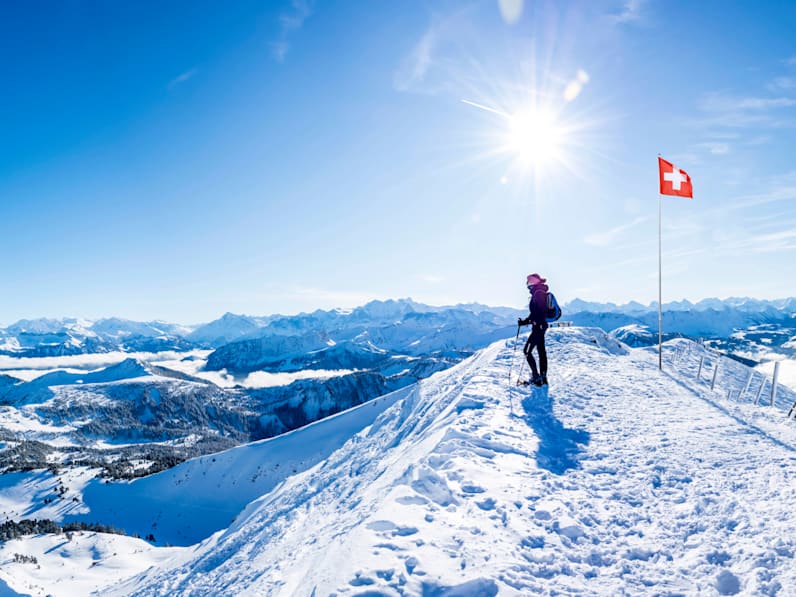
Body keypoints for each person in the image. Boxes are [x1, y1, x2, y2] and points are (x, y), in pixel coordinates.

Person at [517, 273, 549, 386]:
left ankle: (536, 377)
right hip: (540, 326)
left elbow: (541, 311)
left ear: (534, 282)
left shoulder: (539, 293)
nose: (527, 285)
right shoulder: (539, 292)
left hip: (538, 327)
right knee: (541, 351)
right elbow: (535, 313)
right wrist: (526, 322)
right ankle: (542, 377)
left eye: (529, 282)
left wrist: (535, 321)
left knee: (527, 351)